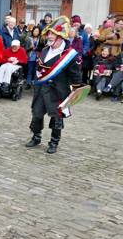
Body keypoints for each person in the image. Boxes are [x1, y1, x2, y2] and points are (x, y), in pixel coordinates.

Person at [25, 16, 81, 154]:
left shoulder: (70, 55)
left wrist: (76, 89)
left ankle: (54, 142)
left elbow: (75, 75)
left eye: (52, 34)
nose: (49, 36)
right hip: (41, 89)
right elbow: (40, 68)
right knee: (37, 114)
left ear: (60, 37)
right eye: (49, 33)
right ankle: (36, 137)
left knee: (57, 118)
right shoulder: (44, 50)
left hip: (58, 91)